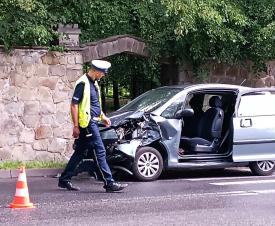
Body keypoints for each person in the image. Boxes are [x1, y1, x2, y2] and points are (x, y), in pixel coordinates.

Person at [58, 60, 128, 192]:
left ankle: (64, 179)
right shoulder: (83, 83)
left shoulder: (94, 84)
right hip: (88, 124)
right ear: (96, 71)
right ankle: (109, 183)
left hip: (93, 121)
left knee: (79, 153)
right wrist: (76, 126)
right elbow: (74, 105)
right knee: (100, 151)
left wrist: (103, 117)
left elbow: (94, 105)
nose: (103, 76)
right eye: (102, 73)